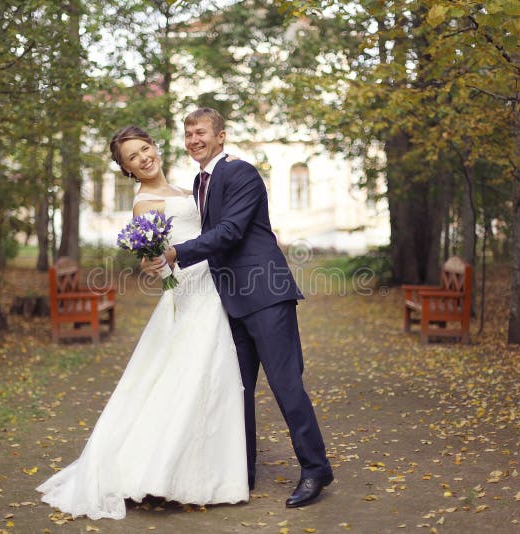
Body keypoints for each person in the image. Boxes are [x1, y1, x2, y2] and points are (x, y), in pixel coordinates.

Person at [36, 126, 248, 520]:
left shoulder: (188, 190)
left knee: (210, 375)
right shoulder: (145, 203)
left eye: (145, 149)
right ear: (128, 169)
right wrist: (154, 265)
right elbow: (151, 262)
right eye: (132, 157)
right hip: (189, 291)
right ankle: (163, 471)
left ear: (155, 147)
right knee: (192, 374)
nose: (143, 158)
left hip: (211, 285)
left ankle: (205, 470)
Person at [151, 108, 333, 508]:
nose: (193, 139)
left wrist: (176, 253)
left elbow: (230, 232)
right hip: (229, 299)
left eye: (201, 132)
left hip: (265, 294)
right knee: (238, 390)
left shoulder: (240, 173)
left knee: (286, 385)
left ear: (221, 136)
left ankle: (315, 469)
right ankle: (242, 470)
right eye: (188, 134)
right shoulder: (200, 182)